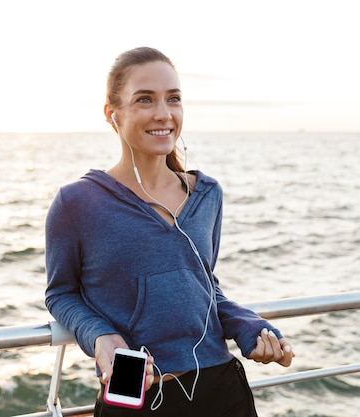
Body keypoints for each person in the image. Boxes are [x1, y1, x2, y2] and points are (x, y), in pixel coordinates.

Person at [45, 46, 294, 417]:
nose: (164, 114)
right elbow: (61, 294)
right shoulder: (77, 202)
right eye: (144, 100)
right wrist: (101, 338)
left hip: (220, 388)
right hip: (135, 395)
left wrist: (247, 325)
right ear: (111, 114)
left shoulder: (208, 194)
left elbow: (204, 286)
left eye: (173, 99)